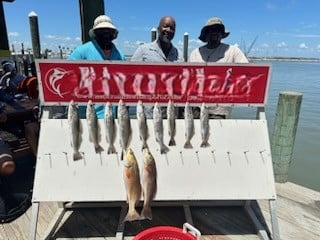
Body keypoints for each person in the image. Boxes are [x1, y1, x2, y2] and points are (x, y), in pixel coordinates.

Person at [189, 17, 249, 119]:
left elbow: (247, 74)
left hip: (219, 110)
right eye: (211, 30)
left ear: (222, 33)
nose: (215, 32)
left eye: (218, 30)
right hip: (196, 108)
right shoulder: (195, 53)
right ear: (206, 33)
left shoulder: (233, 51)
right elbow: (189, 79)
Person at [68, 15, 126, 118]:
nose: (105, 33)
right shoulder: (81, 52)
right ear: (95, 33)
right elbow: (67, 78)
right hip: (87, 116)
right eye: (101, 30)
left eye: (109, 30)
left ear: (113, 34)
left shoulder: (120, 55)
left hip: (114, 116)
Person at [131, 16, 182, 118]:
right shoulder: (143, 50)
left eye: (172, 28)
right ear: (158, 28)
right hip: (149, 114)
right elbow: (131, 77)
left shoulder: (179, 55)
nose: (168, 30)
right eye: (165, 26)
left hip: (171, 114)